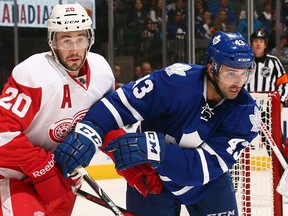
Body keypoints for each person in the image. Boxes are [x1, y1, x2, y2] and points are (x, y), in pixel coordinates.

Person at [55, 31, 261, 216]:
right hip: (151, 176)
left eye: (245, 73)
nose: (239, 83)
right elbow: (120, 104)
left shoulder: (247, 115)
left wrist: (157, 150)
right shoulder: (176, 81)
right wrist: (90, 130)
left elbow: (202, 169)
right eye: (230, 73)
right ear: (211, 67)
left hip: (208, 185)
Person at [0, 3, 116, 215]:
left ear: (89, 39)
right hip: (16, 177)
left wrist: (133, 165)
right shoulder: (33, 75)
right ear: (53, 42)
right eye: (66, 40)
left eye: (80, 39)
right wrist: (43, 168)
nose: (74, 49)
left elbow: (105, 122)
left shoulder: (102, 72)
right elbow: (2, 134)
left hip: (62, 179)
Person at [246, 30, 288, 108]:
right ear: (251, 44)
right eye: (255, 41)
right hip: (247, 106)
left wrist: (281, 101)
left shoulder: (274, 61)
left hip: (268, 108)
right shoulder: (244, 61)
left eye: (261, 41)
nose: (258, 44)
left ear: (265, 45)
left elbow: (283, 83)